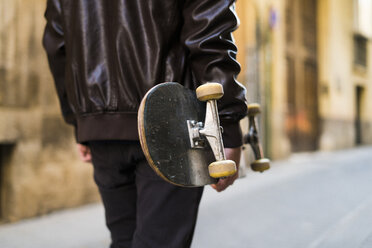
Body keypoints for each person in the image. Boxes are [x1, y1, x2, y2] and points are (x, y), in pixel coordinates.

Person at [43, 0, 247, 247]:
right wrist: (226, 122)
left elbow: (57, 41)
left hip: (101, 127)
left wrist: (79, 121)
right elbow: (209, 30)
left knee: (124, 241)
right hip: (173, 124)